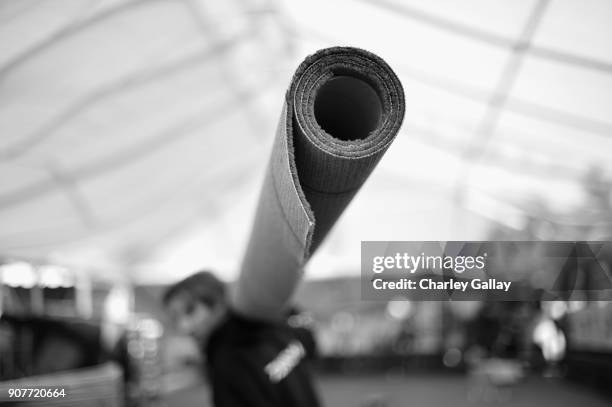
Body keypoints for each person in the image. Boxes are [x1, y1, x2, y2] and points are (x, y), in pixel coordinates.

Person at [162, 271, 321, 407]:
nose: (183, 327)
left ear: (216, 303)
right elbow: (310, 345)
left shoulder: (227, 360)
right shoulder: (270, 323)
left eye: (190, 310)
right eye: (175, 318)